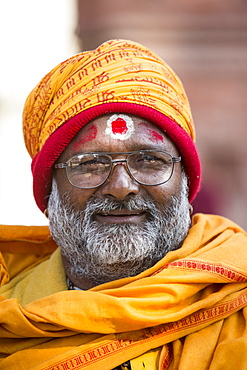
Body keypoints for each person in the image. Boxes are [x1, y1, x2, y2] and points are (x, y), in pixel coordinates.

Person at [0, 39, 246, 370]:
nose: (121, 187)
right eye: (89, 163)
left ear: (185, 181)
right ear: (49, 193)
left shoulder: (236, 305)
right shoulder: (10, 315)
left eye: (149, 160)